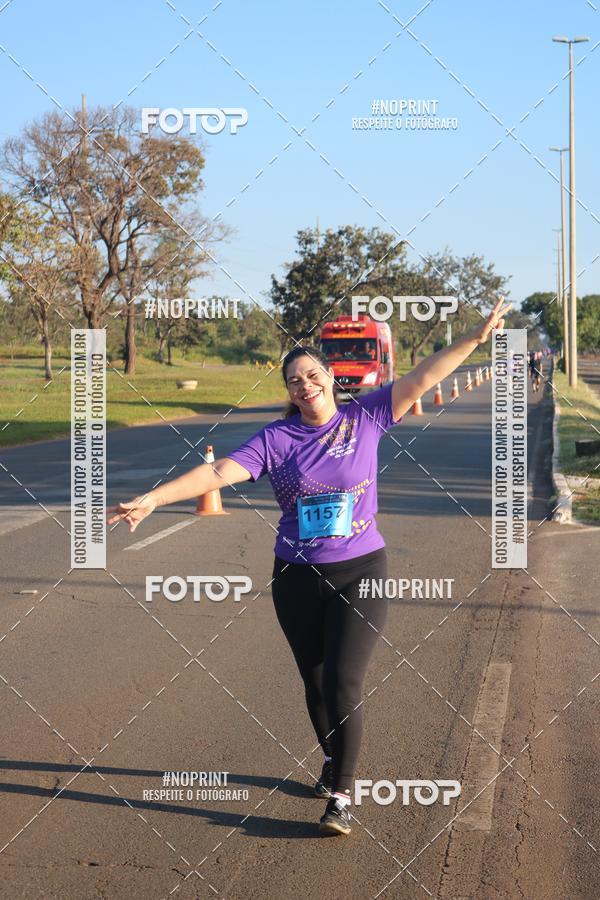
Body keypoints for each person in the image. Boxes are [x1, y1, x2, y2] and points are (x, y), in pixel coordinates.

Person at [108, 297, 511, 836]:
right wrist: (156, 499)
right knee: (315, 682)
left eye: (313, 375)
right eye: (295, 380)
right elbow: (219, 473)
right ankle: (330, 760)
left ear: (329, 378)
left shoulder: (365, 417)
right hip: (295, 578)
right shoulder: (277, 439)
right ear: (289, 391)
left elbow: (421, 377)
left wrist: (474, 339)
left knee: (345, 683)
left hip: (361, 570)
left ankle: (342, 796)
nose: (305, 385)